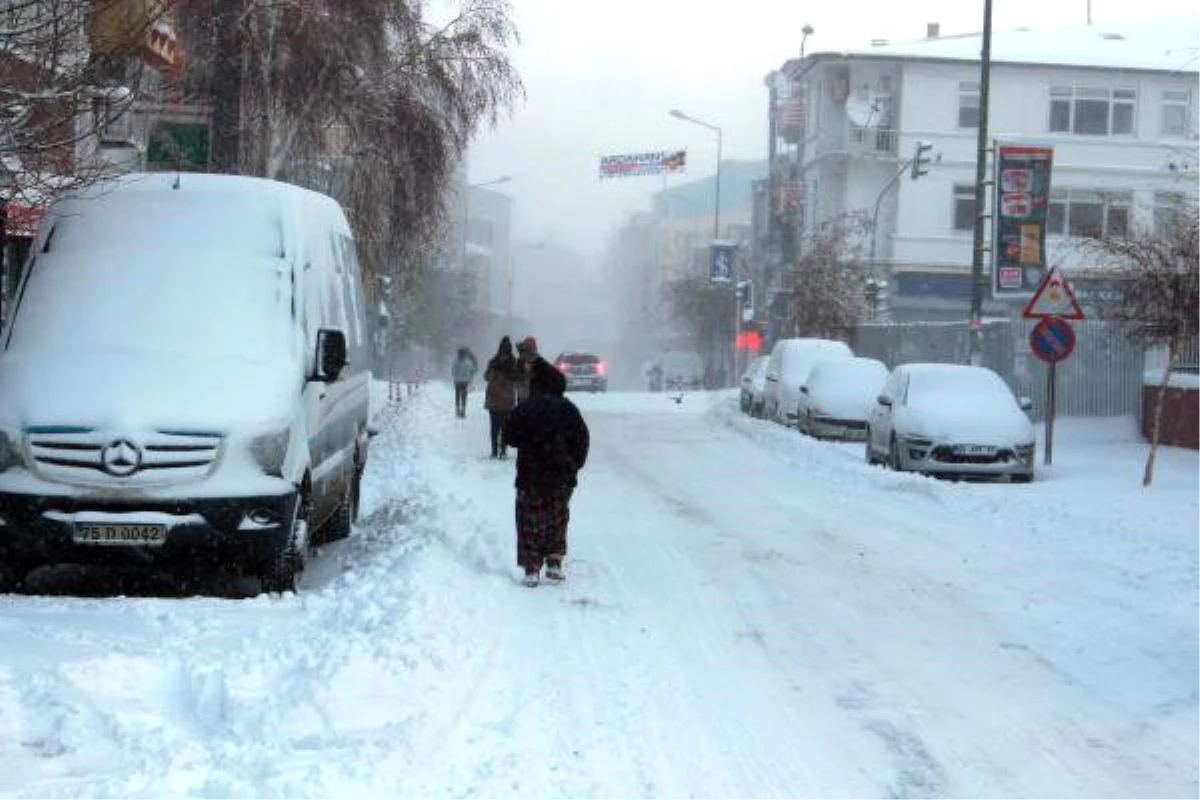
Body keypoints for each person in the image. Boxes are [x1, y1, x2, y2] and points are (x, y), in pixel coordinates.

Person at [503, 355, 589, 587]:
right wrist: (573, 466)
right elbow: (582, 440)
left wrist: (531, 440)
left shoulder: (526, 408)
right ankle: (553, 563)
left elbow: (510, 437)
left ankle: (531, 567)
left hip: (530, 476)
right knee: (557, 520)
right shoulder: (569, 409)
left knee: (529, 520)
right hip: (561, 477)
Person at [483, 336, 520, 458]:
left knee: (494, 426)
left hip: (493, 397)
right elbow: (517, 379)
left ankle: (494, 451)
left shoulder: (493, 362)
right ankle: (503, 451)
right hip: (507, 399)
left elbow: (486, 377)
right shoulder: (514, 363)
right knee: (505, 426)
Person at [450, 346, 478, 418]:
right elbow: (474, 370)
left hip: (457, 381)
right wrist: (470, 376)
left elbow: (452, 371)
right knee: (464, 396)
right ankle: (463, 410)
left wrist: (455, 377)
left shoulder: (455, 362)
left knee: (457, 395)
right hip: (465, 381)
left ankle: (457, 409)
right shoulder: (468, 362)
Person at [513, 335, 538, 405]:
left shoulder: (521, 358)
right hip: (531, 393)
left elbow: (516, 375)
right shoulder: (536, 359)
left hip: (523, 392)